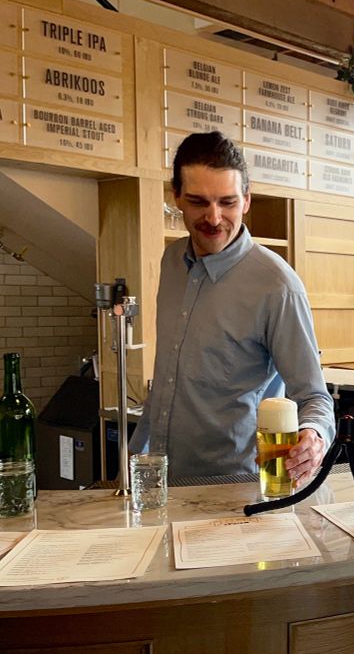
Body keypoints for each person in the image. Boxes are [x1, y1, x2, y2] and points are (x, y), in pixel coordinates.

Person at [130, 131, 335, 480]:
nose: (213, 218)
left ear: (247, 201)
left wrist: (313, 437)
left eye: (227, 202)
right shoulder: (171, 259)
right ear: (176, 196)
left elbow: (315, 396)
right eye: (198, 202)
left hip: (233, 485)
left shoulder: (277, 286)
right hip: (157, 472)